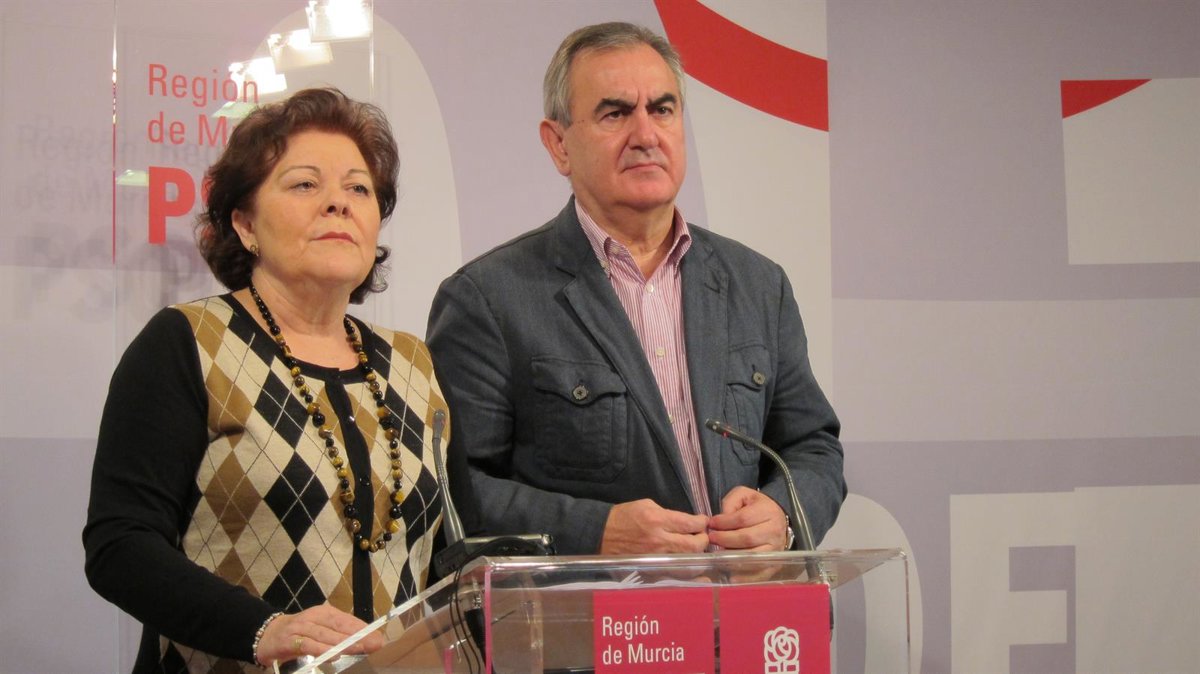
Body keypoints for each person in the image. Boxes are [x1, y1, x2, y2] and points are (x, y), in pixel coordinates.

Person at [426, 22, 846, 557]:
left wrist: (783, 513)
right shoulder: (488, 298)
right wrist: (595, 532)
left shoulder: (759, 285)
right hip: (591, 608)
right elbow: (454, 489)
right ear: (559, 145)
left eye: (663, 109)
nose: (646, 135)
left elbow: (813, 447)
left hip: (740, 604)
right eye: (615, 113)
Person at [84, 87, 450, 672]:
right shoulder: (187, 343)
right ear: (245, 223)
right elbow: (120, 546)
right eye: (305, 184)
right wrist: (263, 630)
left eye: (359, 189)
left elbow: (444, 558)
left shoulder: (413, 365)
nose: (338, 204)